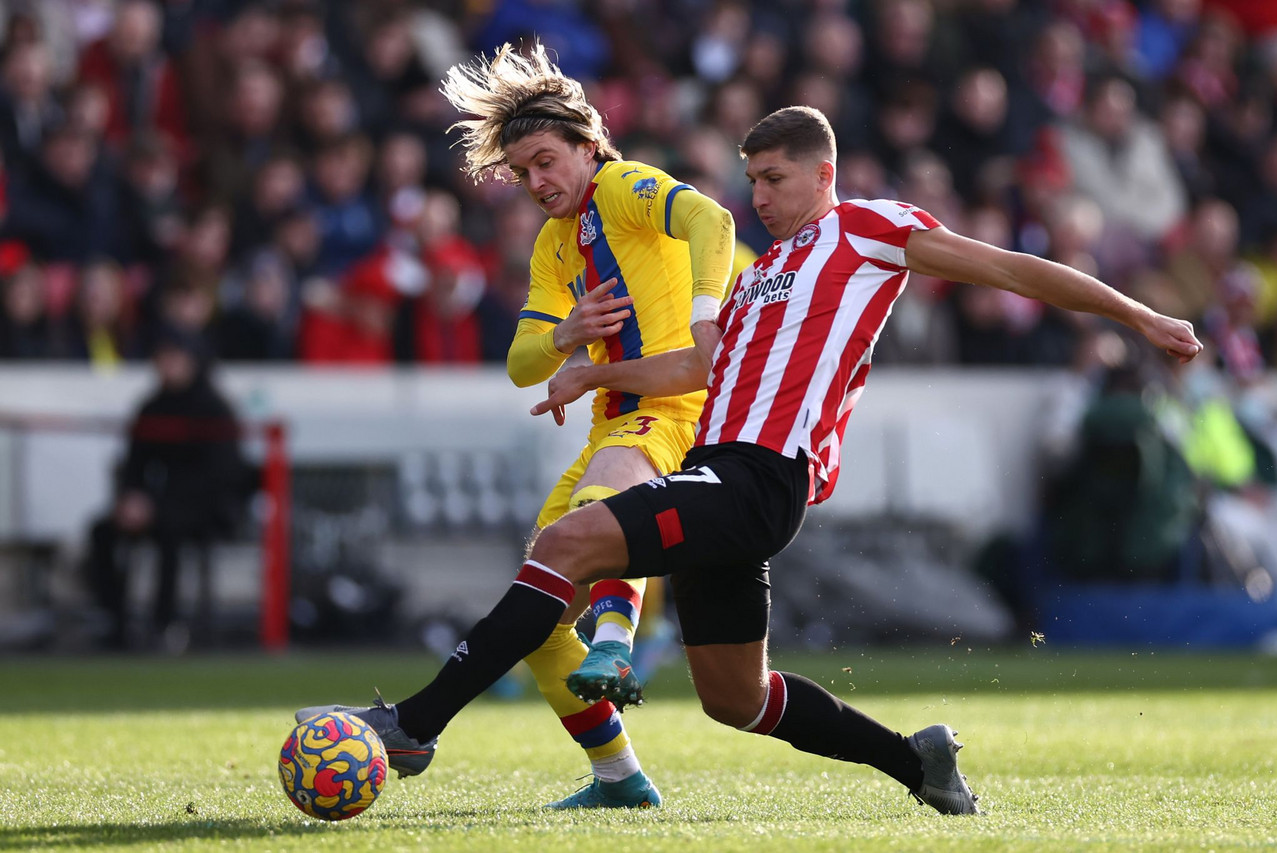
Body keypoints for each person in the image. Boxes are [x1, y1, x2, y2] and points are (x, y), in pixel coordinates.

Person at [299, 106, 1201, 815]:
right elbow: (697, 367)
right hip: (726, 476)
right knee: (734, 697)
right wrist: (597, 372)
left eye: (774, 179)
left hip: (760, 474)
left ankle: (413, 726)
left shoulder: (865, 232)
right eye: (751, 182)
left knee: (568, 544)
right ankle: (913, 759)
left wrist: (1136, 316)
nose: (758, 198)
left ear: (824, 173)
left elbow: (1009, 268)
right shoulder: (764, 272)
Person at [406, 41, 731, 809]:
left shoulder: (622, 187)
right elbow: (523, 362)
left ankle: (617, 637)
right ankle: (619, 777)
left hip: (671, 409)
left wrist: (707, 314)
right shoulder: (557, 245)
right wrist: (566, 332)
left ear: (589, 146)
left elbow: (712, 219)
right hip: (609, 422)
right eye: (522, 172)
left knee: (604, 515)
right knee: (543, 623)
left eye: (547, 161)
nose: (537, 182)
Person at [84, 327, 248, 651]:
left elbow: (221, 475)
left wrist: (155, 505)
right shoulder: (152, 406)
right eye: (162, 358)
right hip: (157, 505)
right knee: (101, 531)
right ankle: (114, 620)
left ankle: (165, 623)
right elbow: (135, 463)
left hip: (206, 508)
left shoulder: (213, 408)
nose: (168, 365)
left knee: (168, 530)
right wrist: (131, 498)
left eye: (175, 357)